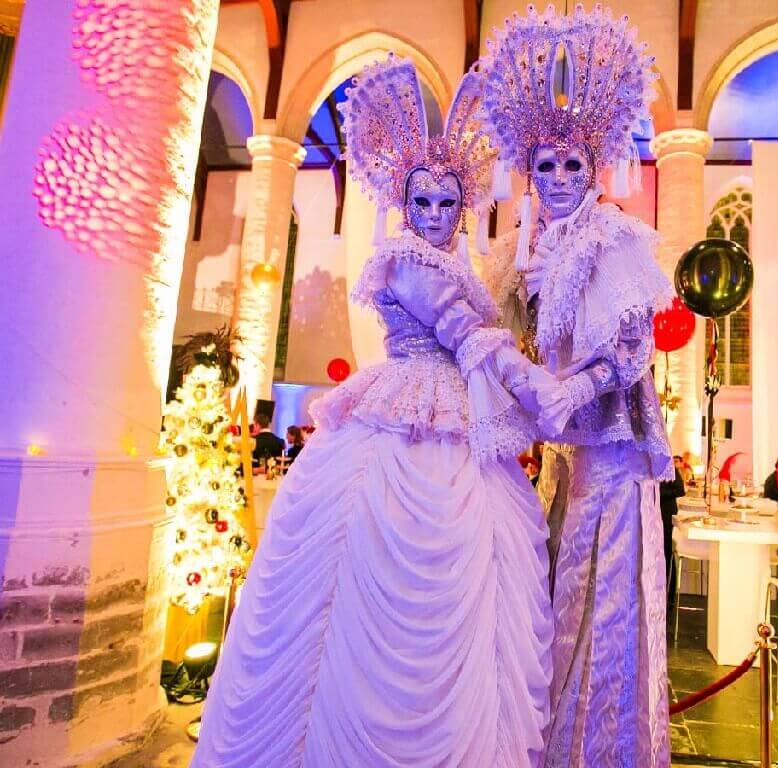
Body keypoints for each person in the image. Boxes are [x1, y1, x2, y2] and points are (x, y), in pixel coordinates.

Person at [191, 57, 555, 768]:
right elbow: (460, 331)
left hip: (460, 421)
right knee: (354, 571)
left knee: (470, 576)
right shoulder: (404, 261)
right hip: (401, 409)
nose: (434, 216)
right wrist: (532, 385)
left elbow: (487, 321)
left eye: (447, 203)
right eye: (422, 202)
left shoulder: (462, 265)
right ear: (403, 202)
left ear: (464, 205)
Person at [481, 7, 672, 764]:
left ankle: (600, 749)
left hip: (612, 456)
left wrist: (572, 391)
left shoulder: (614, 239)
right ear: (529, 173)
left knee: (603, 601)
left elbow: (630, 351)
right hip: (565, 457)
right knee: (559, 588)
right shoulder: (528, 248)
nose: (559, 180)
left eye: (572, 167)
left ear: (594, 171)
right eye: (546, 167)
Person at [660, 457, 686, 591]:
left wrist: (657, 492)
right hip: (654, 513)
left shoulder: (668, 465)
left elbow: (680, 490)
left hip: (666, 513)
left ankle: (669, 591)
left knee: (667, 551)